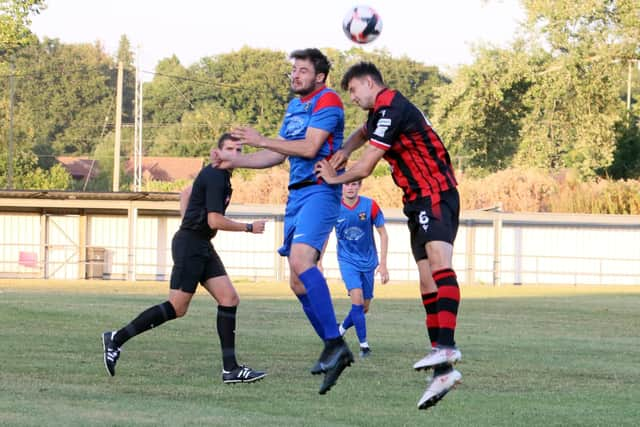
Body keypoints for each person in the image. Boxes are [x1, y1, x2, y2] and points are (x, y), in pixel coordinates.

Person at [314, 62, 462, 410]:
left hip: (436, 192)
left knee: (440, 265)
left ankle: (448, 348)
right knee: (426, 282)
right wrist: (345, 150)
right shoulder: (381, 113)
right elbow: (361, 135)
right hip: (415, 200)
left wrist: (333, 177)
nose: (351, 98)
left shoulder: (392, 107)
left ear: (369, 83)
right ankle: (442, 370)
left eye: (353, 90)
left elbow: (366, 166)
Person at [211, 48, 353, 395]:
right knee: (297, 282)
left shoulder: (329, 100)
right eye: (294, 70)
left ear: (319, 77)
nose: (296, 75)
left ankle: (336, 344)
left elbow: (308, 148)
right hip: (296, 195)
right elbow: (277, 153)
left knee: (302, 261)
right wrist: (234, 161)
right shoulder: (293, 108)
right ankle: (334, 347)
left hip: (320, 190)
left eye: (303, 70)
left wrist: (260, 138)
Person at [102, 133, 268, 384]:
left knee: (229, 298)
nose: (234, 153)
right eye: (230, 148)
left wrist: (189, 222)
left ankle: (231, 370)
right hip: (192, 244)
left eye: (238, 150)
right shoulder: (215, 175)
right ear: (218, 151)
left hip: (200, 243)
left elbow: (186, 193)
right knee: (177, 307)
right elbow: (214, 220)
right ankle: (116, 338)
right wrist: (248, 227)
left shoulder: (220, 176)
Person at [318, 180, 389, 358]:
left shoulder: (370, 205)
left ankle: (339, 331)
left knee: (363, 308)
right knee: (356, 302)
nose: (350, 188)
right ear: (341, 187)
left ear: (359, 186)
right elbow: (325, 235)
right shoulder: (334, 207)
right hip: (347, 261)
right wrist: (319, 261)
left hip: (369, 262)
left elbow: (383, 233)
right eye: (347, 184)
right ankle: (364, 346)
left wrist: (383, 263)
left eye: (354, 184)